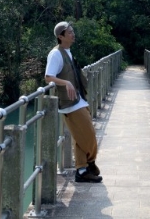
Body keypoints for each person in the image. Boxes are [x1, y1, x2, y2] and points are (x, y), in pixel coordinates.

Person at [45, 21, 102, 183]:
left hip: (78, 100)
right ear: (60, 37)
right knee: (89, 135)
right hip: (70, 103)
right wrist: (66, 82)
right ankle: (89, 164)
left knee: (81, 137)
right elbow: (48, 77)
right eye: (69, 32)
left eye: (72, 31)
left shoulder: (67, 51)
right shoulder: (56, 54)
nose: (73, 34)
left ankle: (82, 170)